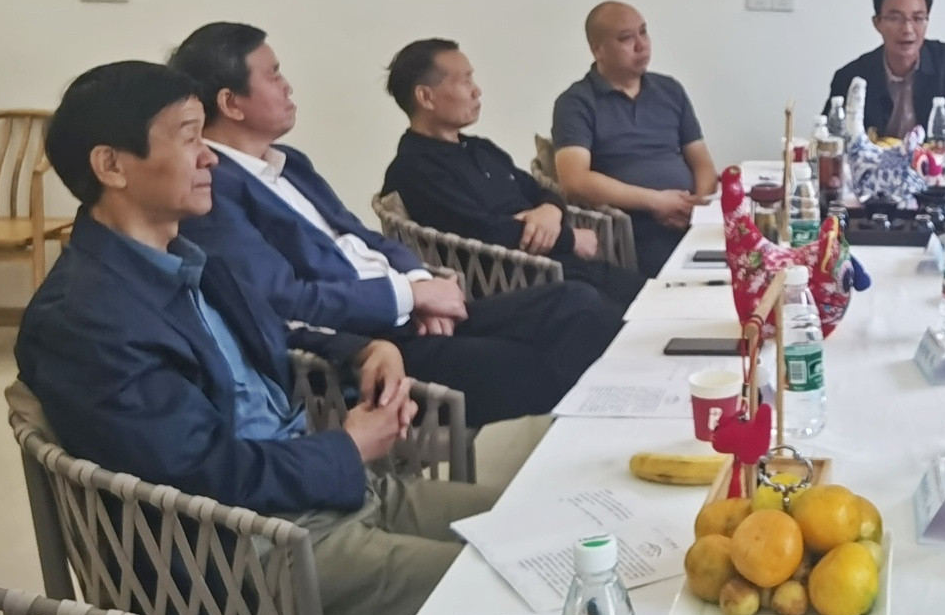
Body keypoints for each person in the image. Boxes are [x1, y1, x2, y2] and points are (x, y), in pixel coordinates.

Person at [17, 61, 499, 615]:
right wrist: (347, 447)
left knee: (537, 528)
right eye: (189, 137)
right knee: (506, 583)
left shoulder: (186, 261)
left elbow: (270, 328)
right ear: (112, 165)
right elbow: (197, 472)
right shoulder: (84, 319)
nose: (210, 158)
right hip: (246, 555)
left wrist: (364, 348)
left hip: (320, 491)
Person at [169, 22, 625, 429]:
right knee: (532, 366)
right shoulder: (214, 192)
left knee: (575, 303)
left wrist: (420, 283)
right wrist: (408, 296)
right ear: (231, 103)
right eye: (273, 75)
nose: (288, 86)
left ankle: (634, 418)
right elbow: (282, 298)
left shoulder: (290, 164)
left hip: (413, 312)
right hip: (368, 347)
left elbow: (364, 237)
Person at [380, 38, 645, 306]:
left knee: (649, 293)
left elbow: (540, 191)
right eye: (465, 81)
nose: (477, 91)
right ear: (426, 97)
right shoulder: (414, 169)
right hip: (515, 285)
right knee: (621, 306)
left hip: (560, 266)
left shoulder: (481, 149)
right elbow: (482, 232)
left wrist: (548, 211)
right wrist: (570, 238)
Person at [551, 2, 718, 276]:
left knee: (751, 256)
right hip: (634, 226)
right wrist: (656, 202)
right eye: (626, 38)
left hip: (692, 217)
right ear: (597, 49)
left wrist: (696, 209)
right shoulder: (576, 103)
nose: (641, 45)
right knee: (683, 275)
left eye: (643, 32)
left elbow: (702, 161)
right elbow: (575, 180)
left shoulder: (669, 89)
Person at [827, 0, 945, 140]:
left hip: (934, 157)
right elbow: (828, 141)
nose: (908, 29)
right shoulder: (850, 77)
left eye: (918, 18)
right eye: (895, 18)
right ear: (877, 23)